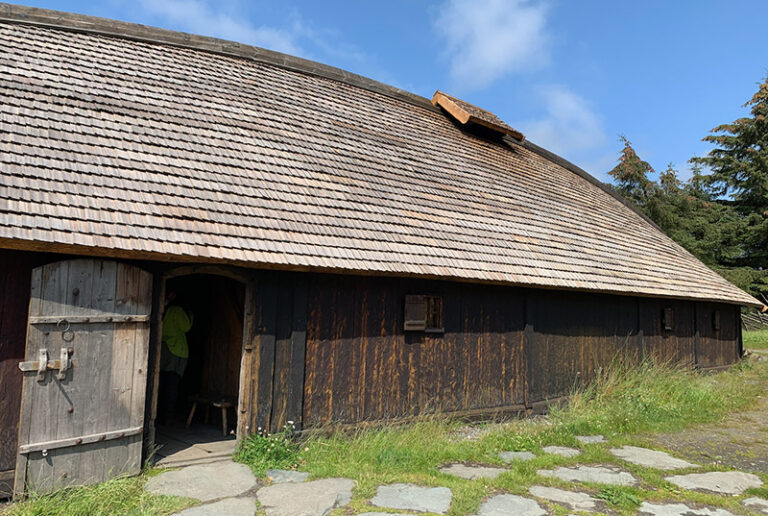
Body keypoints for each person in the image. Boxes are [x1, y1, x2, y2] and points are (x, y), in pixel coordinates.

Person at [158, 290, 193, 425]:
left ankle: (158, 414)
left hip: (164, 347)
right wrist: (189, 313)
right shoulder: (177, 310)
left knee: (161, 382)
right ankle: (168, 415)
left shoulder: (164, 308)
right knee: (172, 383)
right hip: (175, 350)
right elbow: (186, 327)